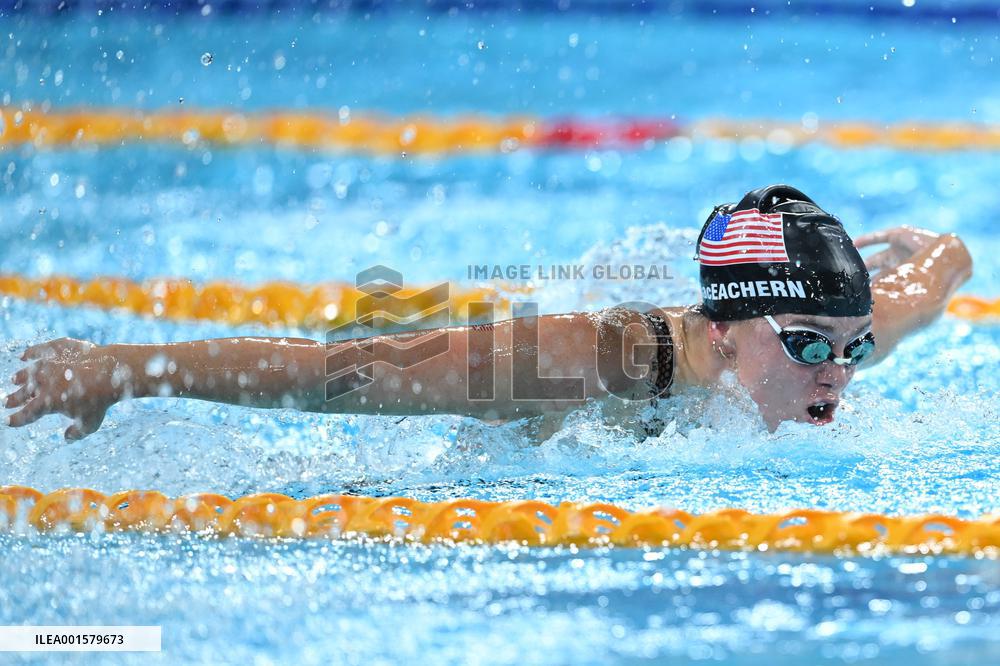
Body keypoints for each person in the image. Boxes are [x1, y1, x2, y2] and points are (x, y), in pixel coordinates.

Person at [3, 185, 972, 439]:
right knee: (384, 339)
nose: (837, 372)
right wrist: (119, 367)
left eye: (850, 348)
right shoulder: (576, 364)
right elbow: (332, 379)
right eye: (807, 345)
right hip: (502, 344)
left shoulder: (834, 341)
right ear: (723, 332)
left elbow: (933, 276)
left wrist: (927, 249)